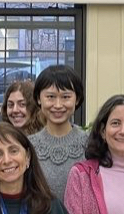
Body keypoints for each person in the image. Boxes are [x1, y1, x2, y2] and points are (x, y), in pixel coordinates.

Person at [29, 65, 89, 198]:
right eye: (50, 97)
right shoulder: (27, 146)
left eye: (65, 97)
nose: (57, 105)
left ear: (77, 99)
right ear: (39, 99)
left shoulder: (90, 144)